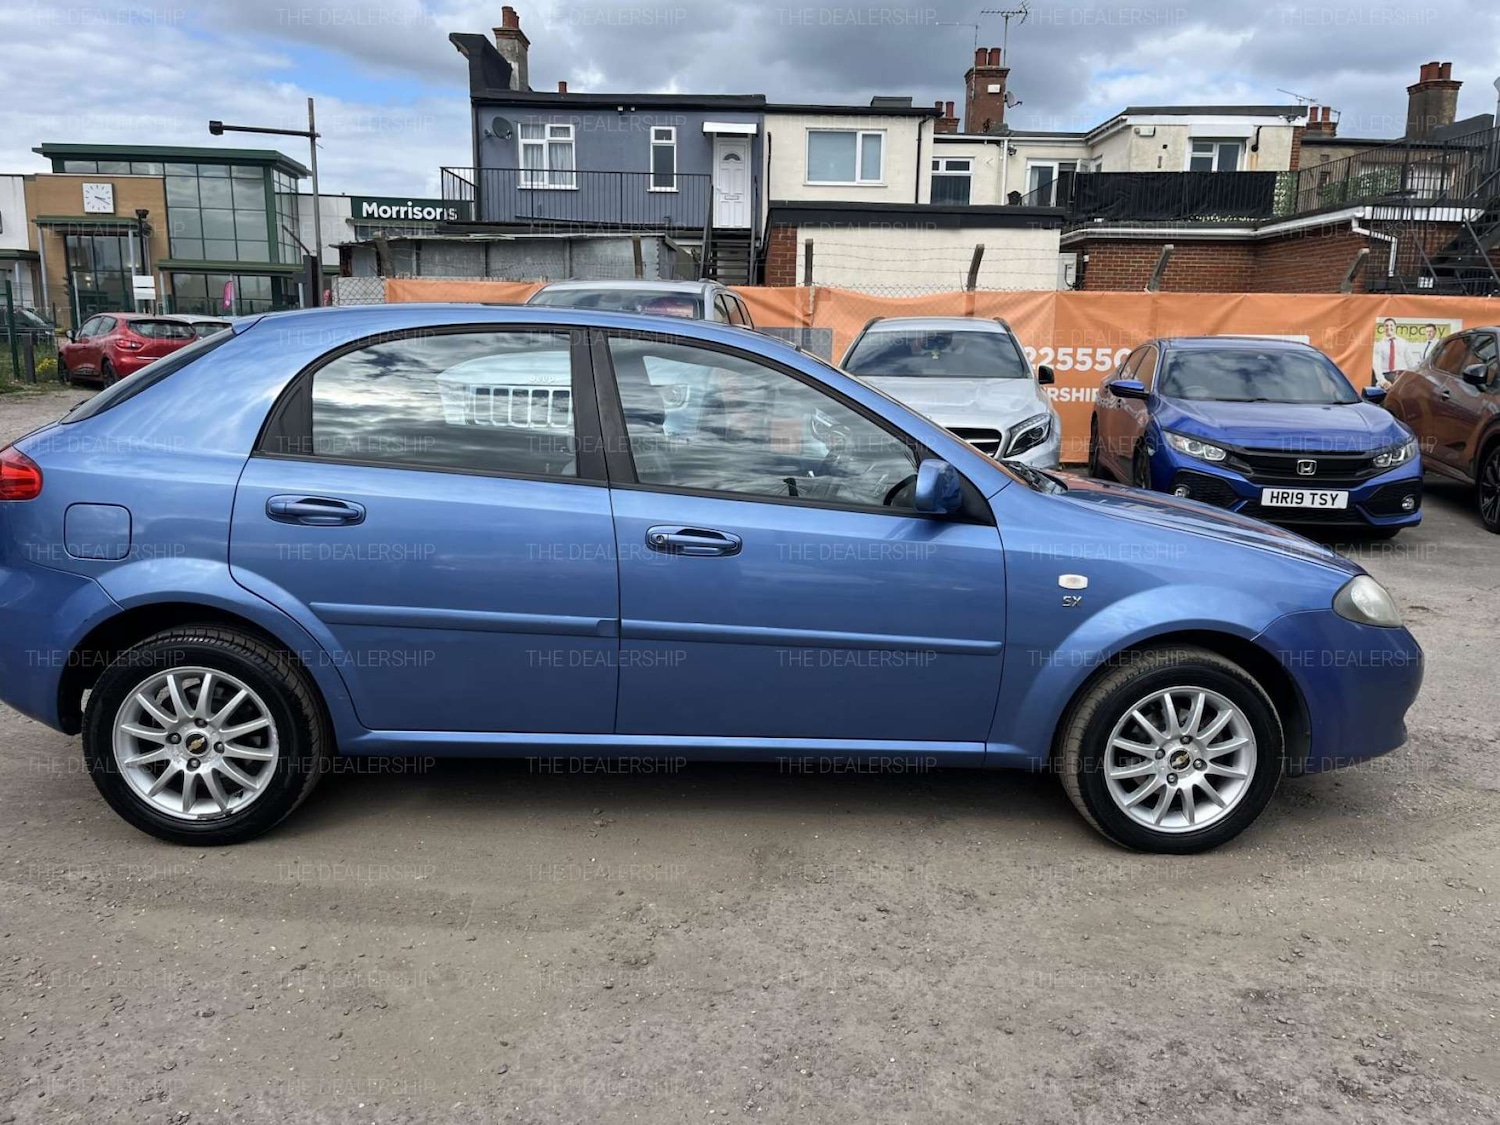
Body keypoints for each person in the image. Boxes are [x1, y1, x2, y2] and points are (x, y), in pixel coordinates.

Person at [1372, 318, 1415, 387]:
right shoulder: (1379, 345)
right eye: (1386, 326)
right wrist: (1383, 381)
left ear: (1395, 327)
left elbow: (1410, 361)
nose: (1389, 327)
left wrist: (1413, 378)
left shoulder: (1403, 342)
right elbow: (1376, 365)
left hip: (1401, 376)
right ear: (1383, 328)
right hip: (1386, 376)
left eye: (1391, 325)